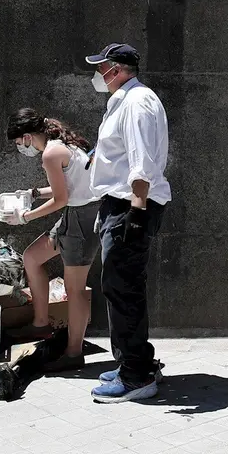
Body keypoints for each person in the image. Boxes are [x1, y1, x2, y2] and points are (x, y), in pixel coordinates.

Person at [84, 43, 171, 403]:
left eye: (101, 67)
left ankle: (136, 376)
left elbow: (141, 162)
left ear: (116, 70)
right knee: (119, 289)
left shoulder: (137, 103)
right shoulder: (125, 100)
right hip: (120, 205)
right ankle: (132, 363)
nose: (97, 75)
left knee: (123, 292)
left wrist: (135, 213)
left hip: (130, 206)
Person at [2, 109, 101, 372]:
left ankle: (73, 352)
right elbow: (68, 187)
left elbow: (61, 199)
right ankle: (41, 323)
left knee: (75, 290)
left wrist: (25, 217)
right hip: (77, 213)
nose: (19, 148)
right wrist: (34, 193)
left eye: (17, 143)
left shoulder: (50, 153)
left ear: (26, 137)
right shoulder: (62, 142)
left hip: (82, 218)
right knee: (32, 257)